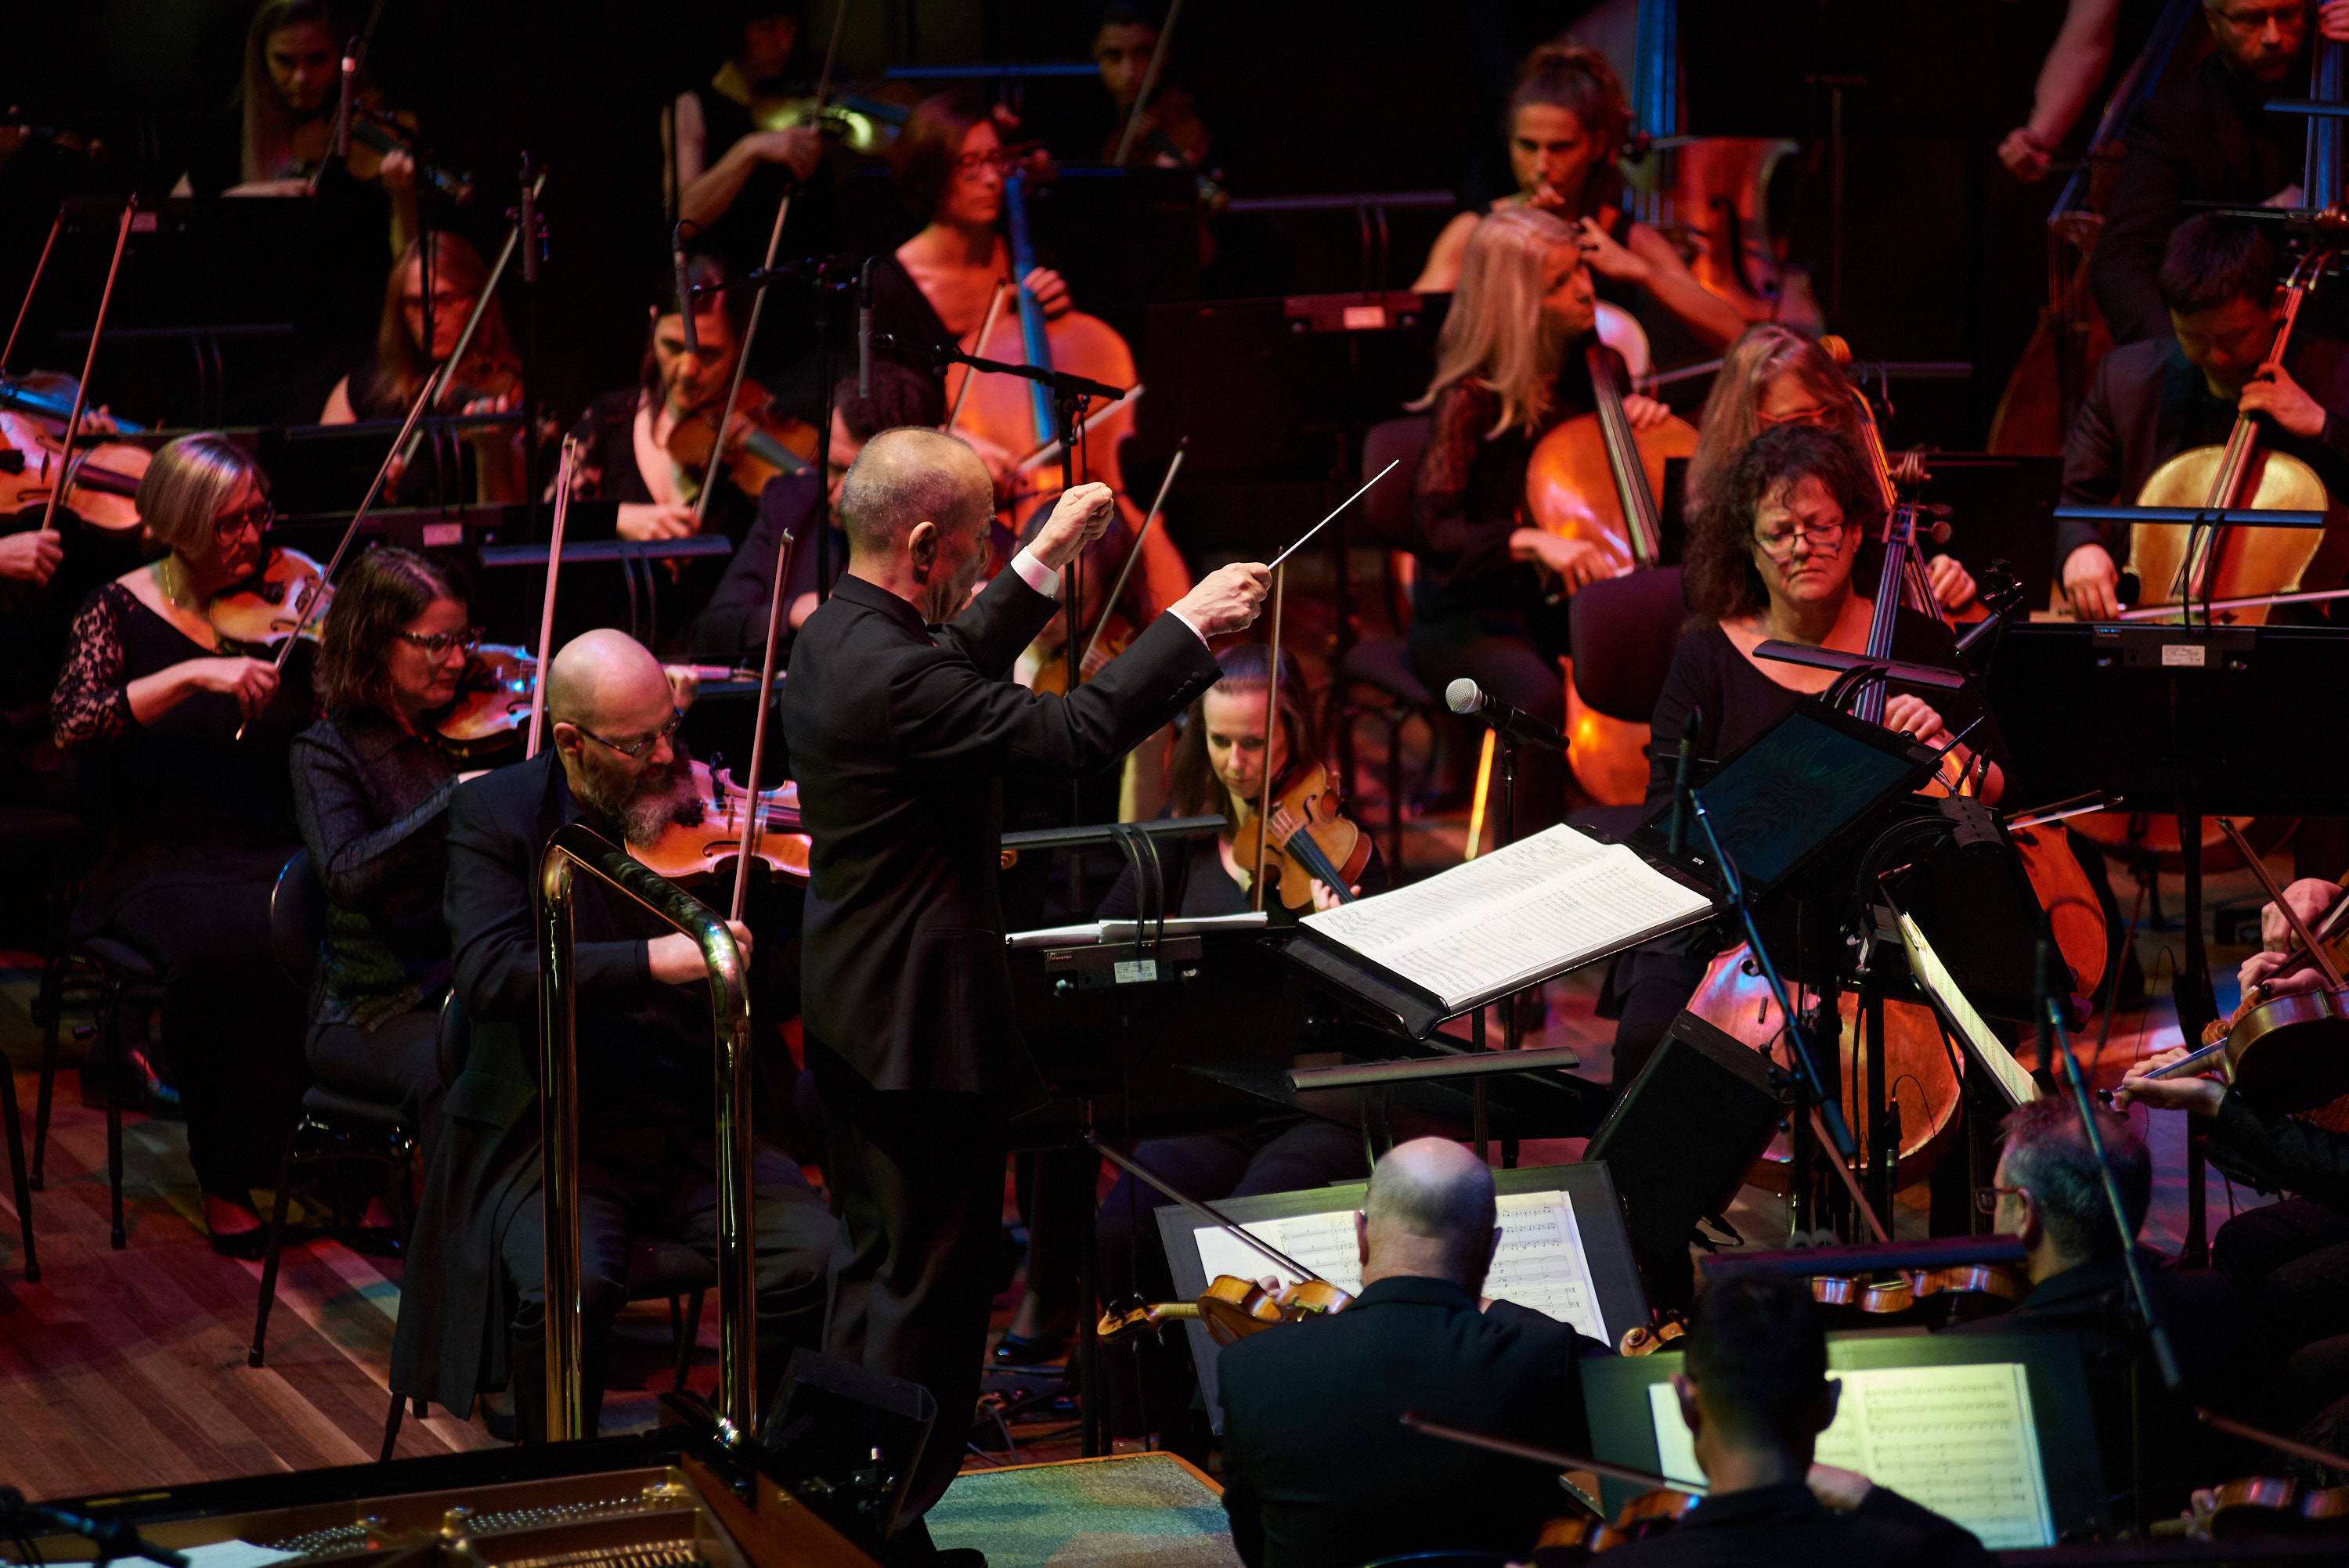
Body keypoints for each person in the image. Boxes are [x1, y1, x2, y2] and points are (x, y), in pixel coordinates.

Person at [779, 427, 1268, 1538]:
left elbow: (944, 656)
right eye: (981, 533)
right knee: (931, 1301)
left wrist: (1041, 558)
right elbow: (1077, 731)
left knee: (877, 1270)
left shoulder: (838, 627)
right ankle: (873, 1522)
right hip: (921, 1032)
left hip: (857, 1011)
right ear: (922, 540)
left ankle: (838, 1513)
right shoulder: (897, 673)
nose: (989, 546)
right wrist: (1190, 626)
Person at [389, 627, 832, 1439]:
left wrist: (808, 912)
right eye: (638, 743)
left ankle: (751, 1458)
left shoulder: (708, 812)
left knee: (813, 1257)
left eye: (672, 728)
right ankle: (562, 1482)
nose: (670, 757)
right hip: (559, 1130)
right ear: (571, 741)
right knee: (572, 1291)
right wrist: (653, 958)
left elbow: (770, 991)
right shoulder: (497, 814)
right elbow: (491, 973)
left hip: (701, 1124)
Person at [1608, 425, 1997, 1091]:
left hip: (1887, 914)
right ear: (1750, 548)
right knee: (1649, 1034)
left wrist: (1941, 752)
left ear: (1853, 534)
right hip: (1731, 920)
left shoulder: (1920, 642)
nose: (1802, 548)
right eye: (1780, 531)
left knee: (1986, 1047)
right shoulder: (1706, 656)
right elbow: (1664, 816)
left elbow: (1994, 790)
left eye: (1821, 527)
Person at [1049, 644, 1385, 1393]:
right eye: (1220, 741)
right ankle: (1163, 1420)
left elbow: (1376, 1010)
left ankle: (1238, 1416)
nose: (1237, 762)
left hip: (1309, 1103)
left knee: (1243, 1230)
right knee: (1125, 1229)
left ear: (1293, 733)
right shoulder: (1183, 841)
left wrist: (1342, 943)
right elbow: (1102, 946)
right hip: (1211, 1101)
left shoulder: (1341, 851)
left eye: (1256, 742)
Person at [49, 434, 314, 1257]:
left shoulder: (292, 599)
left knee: (348, 920)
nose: (253, 538)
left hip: (269, 837)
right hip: (155, 856)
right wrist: (197, 674)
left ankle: (338, 1165)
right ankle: (227, 1172)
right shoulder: (115, 607)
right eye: (229, 523)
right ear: (174, 526)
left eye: (259, 515)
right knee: (233, 941)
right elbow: (74, 720)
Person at [1217, 1137, 1612, 1568]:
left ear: (1361, 1234)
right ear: (1491, 1249)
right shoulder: (1540, 1356)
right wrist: (1490, 1309)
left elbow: (1255, 1546)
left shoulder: (1249, 1366)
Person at [1406, 206, 1672, 843]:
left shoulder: (1600, 370)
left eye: (1580, 268)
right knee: (1538, 699)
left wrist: (1639, 421)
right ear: (1519, 300)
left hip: (1561, 611)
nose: (1585, 287)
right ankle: (1527, 874)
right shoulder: (1472, 396)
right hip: (1466, 617)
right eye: (1560, 282)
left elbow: (1609, 501)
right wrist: (1528, 540)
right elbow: (1434, 529)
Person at [290, 547, 485, 1253]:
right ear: (375, 642)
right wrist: (453, 802)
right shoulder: (327, 750)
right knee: (463, 1070)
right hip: (370, 1009)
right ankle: (456, 1279)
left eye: (465, 638)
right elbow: (343, 871)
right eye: (435, 642)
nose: (459, 660)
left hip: (470, 982)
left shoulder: (466, 730)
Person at [1945, 1098, 2256, 1509]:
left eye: (1997, 1195)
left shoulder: (1981, 1353)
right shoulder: (2216, 1302)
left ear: (2024, 1212)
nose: (1992, 1207)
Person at [2059, 212, 2349, 622]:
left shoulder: (2340, 375)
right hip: (2150, 627)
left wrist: (2325, 427)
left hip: (2299, 650)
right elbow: (2076, 503)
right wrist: (2079, 548)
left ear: (2277, 304)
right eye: (2193, 338)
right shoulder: (2126, 381)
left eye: (2234, 337)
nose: (2216, 357)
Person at [1599, 1269, 1994, 1566]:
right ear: (1829, 1405)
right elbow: (1970, 1557)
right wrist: (1865, 1492)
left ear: (1686, 1404)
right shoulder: (1909, 1556)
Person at [1410, 43, 1743, 351]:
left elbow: (1734, 333)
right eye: (1526, 146)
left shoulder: (1623, 235)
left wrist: (1639, 270)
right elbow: (1416, 332)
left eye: (1561, 147)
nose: (1540, 167)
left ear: (1597, 145)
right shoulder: (1471, 230)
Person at [2089, 0, 2349, 345]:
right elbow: (2121, 260)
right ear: (2212, 19)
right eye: (2250, 20)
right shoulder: (2175, 121)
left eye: (2287, 15)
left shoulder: (2339, 81)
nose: (2273, 36)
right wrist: (2190, 363)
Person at [1683, 326, 1976, 615]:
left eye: (1831, 414)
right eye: (1798, 420)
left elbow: (1887, 584)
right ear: (1748, 425)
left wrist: (1941, 575)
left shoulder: (1857, 501)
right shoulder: (1722, 543)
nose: (1822, 434)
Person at [689, 362, 942, 665]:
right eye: (832, 464)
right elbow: (709, 635)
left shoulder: (943, 539)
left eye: (860, 479)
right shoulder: (790, 503)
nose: (833, 488)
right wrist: (795, 611)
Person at [321, 232, 525, 505]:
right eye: (417, 303)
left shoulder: (509, 395)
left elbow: (515, 537)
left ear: (477, 301)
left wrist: (493, 460)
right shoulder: (358, 395)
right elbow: (321, 501)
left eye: (445, 299)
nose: (431, 317)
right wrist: (362, 491)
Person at [664, 3, 835, 278]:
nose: (784, 43)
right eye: (767, 29)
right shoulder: (693, 107)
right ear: (735, 31)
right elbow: (684, 218)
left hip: (809, 280)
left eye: (791, 25)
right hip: (733, 289)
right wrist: (750, 148)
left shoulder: (806, 96)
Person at [1045, 1, 1215, 173]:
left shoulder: (1200, 115)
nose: (1128, 74)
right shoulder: (1074, 128)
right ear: (1095, 55)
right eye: (1113, 56)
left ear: (1165, 52)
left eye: (1142, 54)